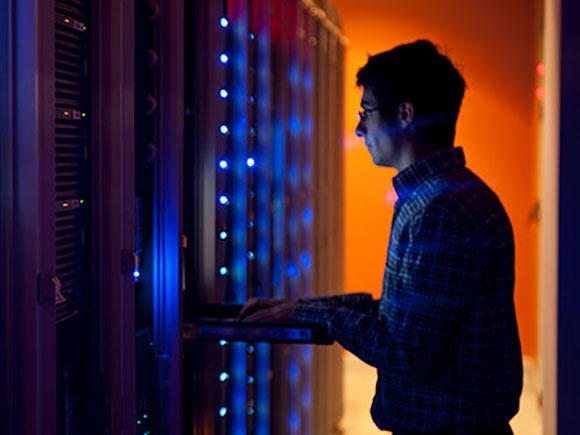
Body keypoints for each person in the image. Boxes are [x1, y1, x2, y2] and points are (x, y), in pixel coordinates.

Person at [239, 40, 523, 435]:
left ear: (405, 114)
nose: (359, 128)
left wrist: (313, 315)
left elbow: (406, 352)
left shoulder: (442, 209)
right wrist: (298, 307)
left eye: (366, 111)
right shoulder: (437, 196)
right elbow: (402, 317)